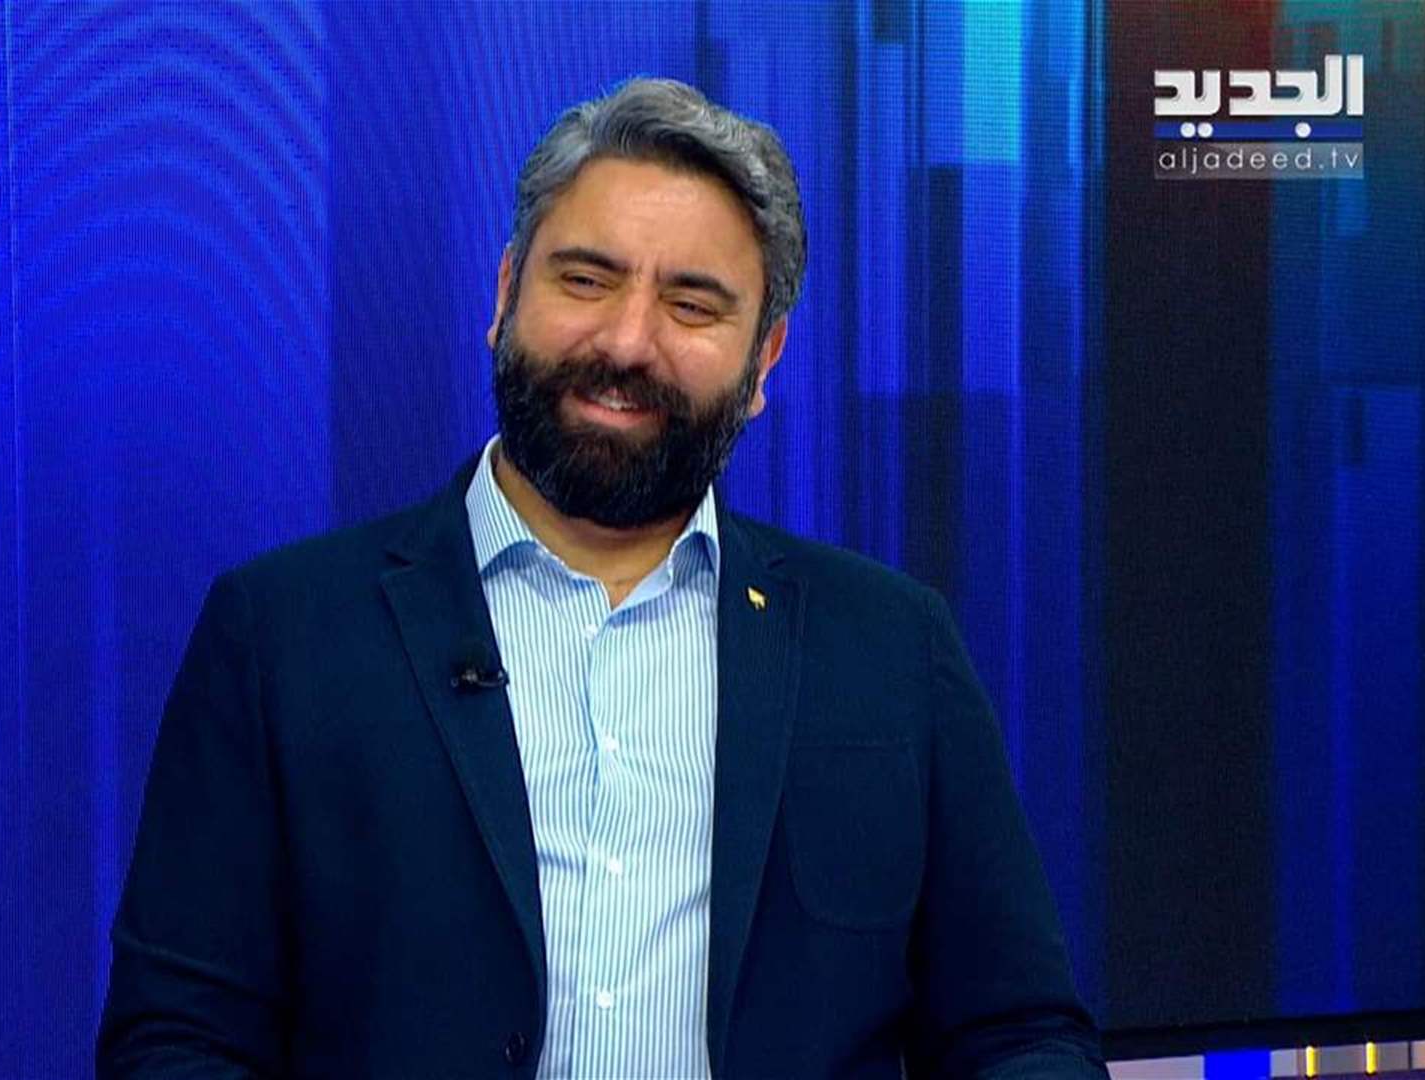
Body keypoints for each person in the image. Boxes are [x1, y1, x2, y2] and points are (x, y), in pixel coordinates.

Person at [98, 77, 1106, 1079]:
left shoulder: (891, 646)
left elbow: (1020, 1037)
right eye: (585, 280)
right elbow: (179, 1043)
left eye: (691, 304)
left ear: (764, 359)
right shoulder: (282, 635)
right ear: (505, 294)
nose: (627, 343)